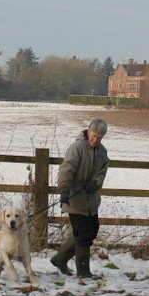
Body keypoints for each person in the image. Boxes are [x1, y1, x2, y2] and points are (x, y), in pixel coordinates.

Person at [50, 118, 109, 279]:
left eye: (99, 137)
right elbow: (66, 169)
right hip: (74, 199)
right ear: (88, 131)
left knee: (92, 231)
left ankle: (59, 259)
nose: (95, 140)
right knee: (84, 233)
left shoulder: (102, 152)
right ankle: (83, 272)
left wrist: (95, 183)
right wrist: (64, 189)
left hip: (91, 201)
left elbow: (102, 171)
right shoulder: (76, 148)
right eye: (94, 135)